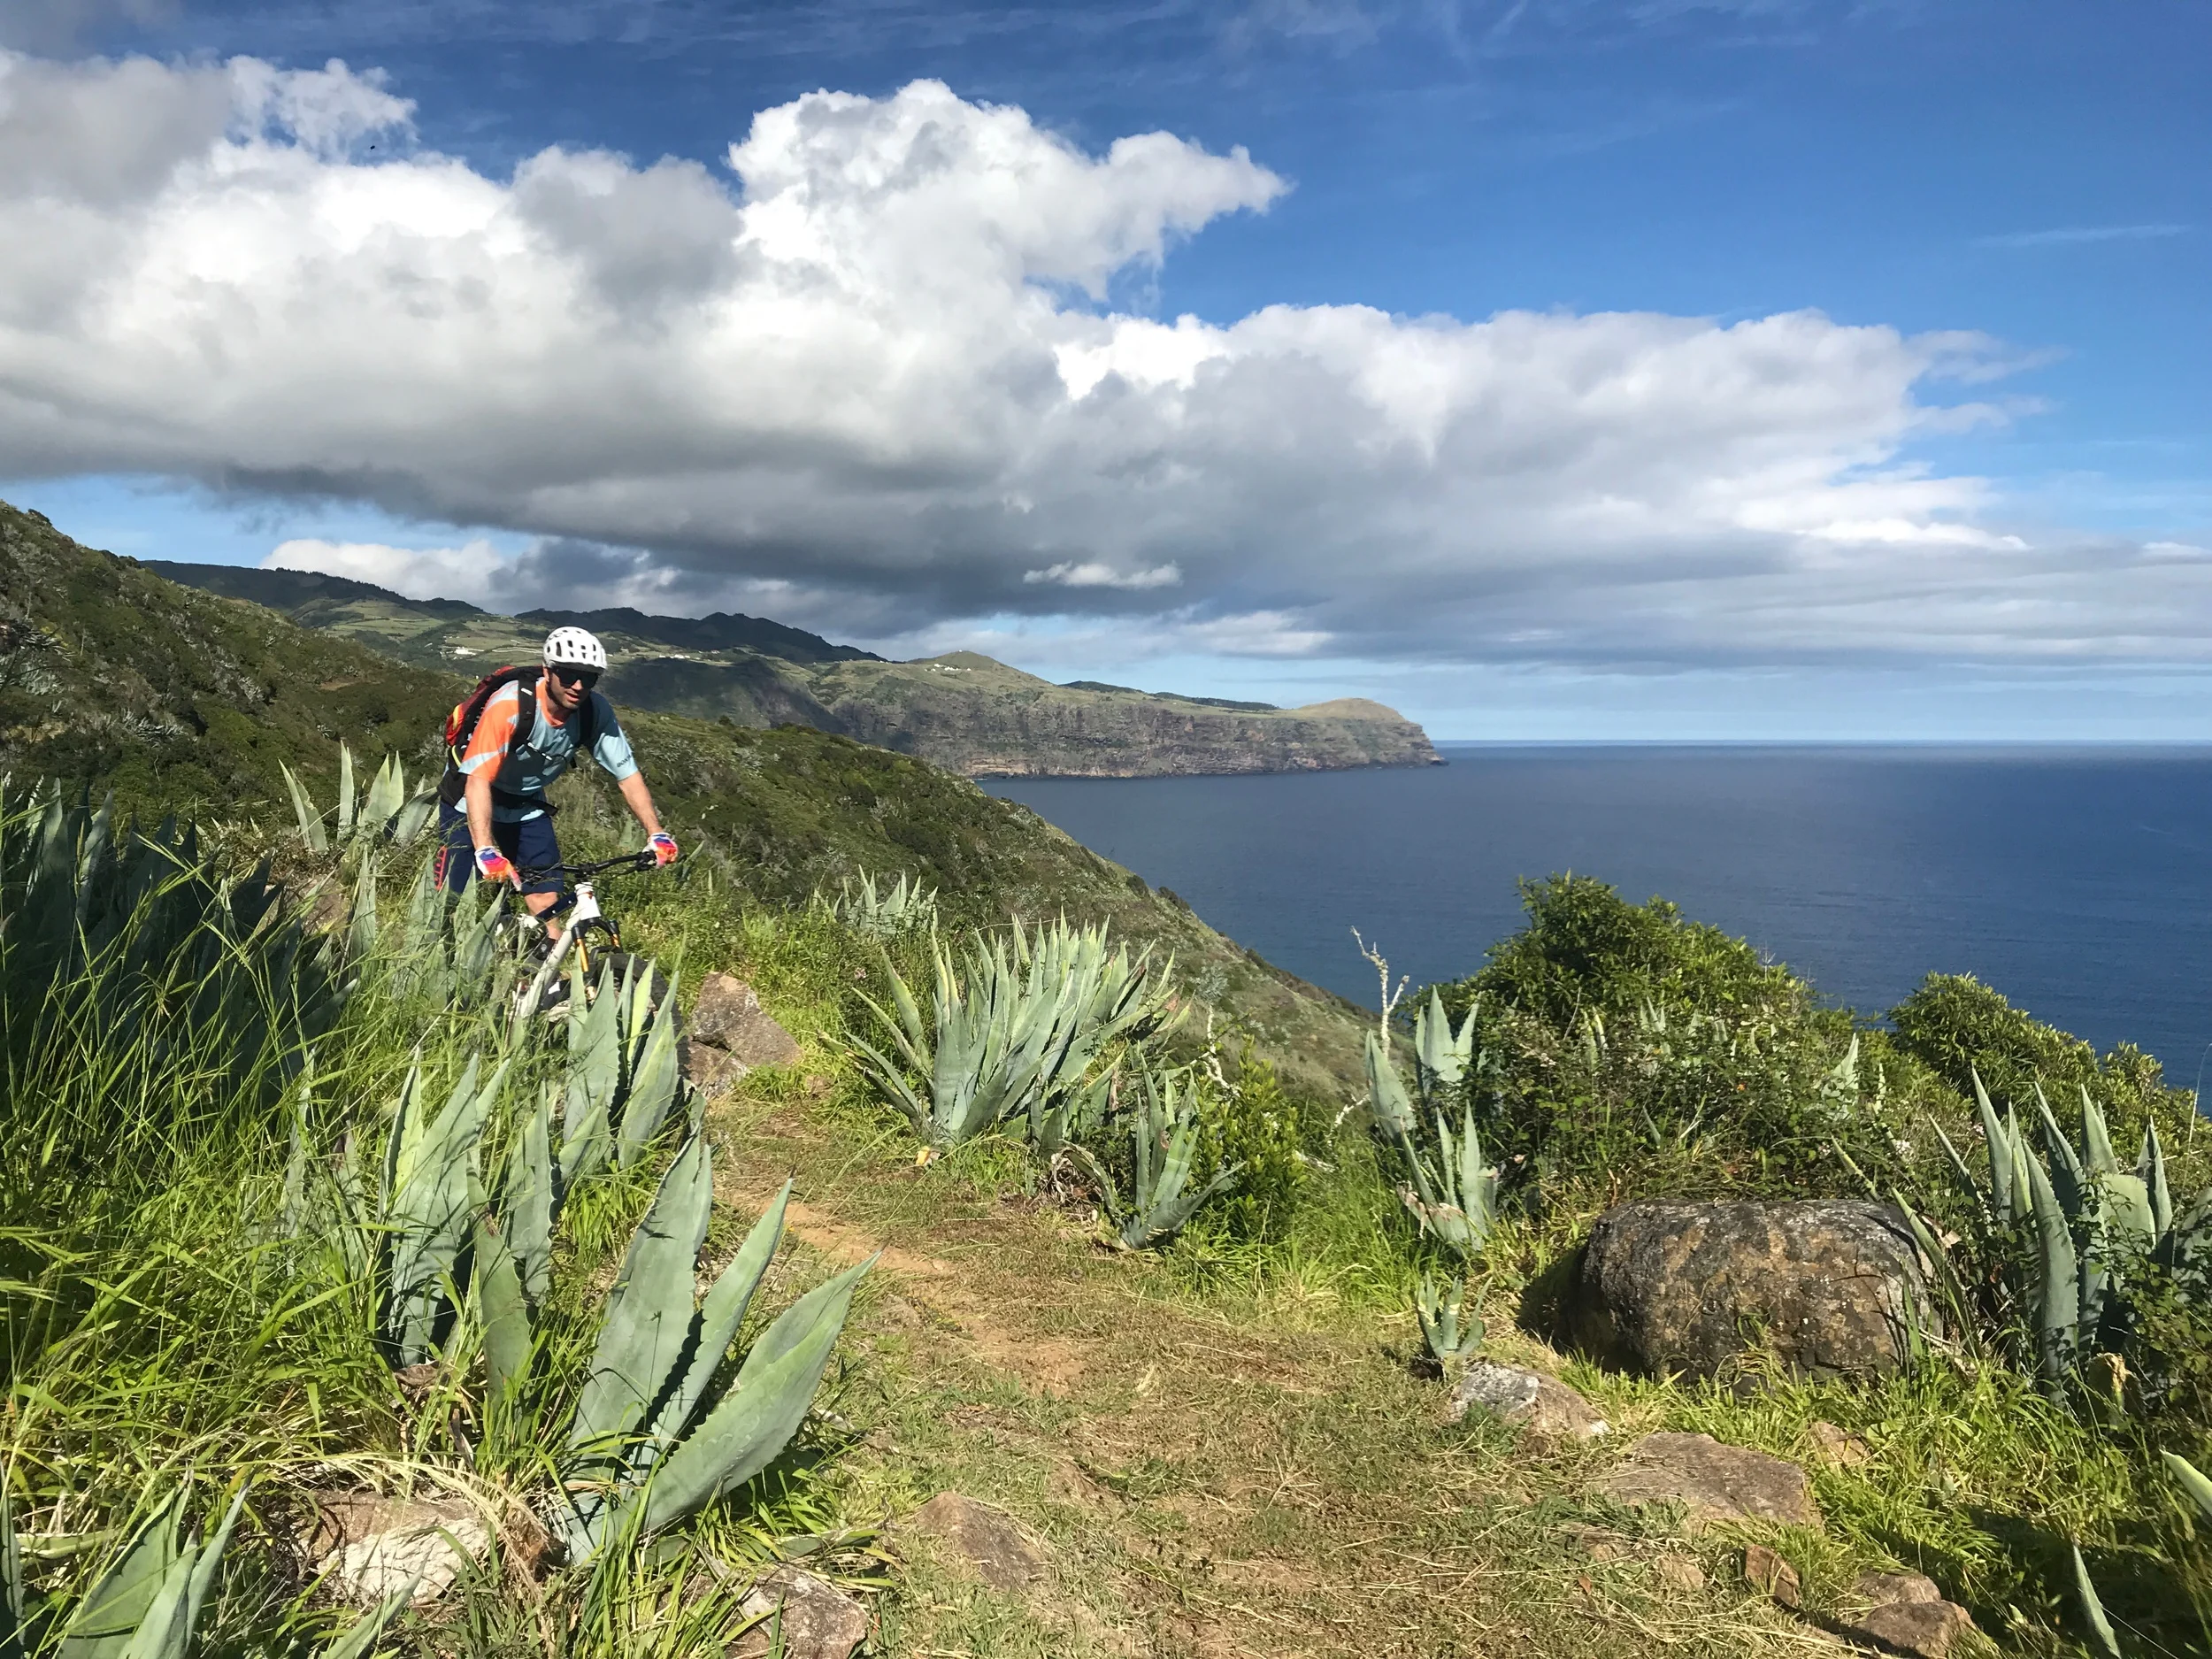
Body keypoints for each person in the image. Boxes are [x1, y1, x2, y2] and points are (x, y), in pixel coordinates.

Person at [434, 626, 678, 935]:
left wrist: (656, 832)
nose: (578, 685)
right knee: (452, 897)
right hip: (468, 800)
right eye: (568, 675)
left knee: (546, 897)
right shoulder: (511, 706)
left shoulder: (593, 711)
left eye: (589, 678)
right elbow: (478, 780)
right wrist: (484, 848)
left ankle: (551, 974)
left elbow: (627, 774)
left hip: (525, 804)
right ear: (548, 672)